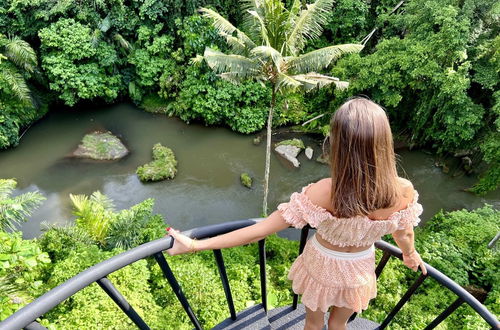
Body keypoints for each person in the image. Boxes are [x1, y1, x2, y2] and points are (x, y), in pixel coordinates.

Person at [166, 97, 427, 330]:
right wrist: (410, 255)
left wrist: (194, 245)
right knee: (339, 325)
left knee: (313, 324)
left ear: (339, 144)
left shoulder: (324, 192)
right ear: (384, 142)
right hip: (360, 268)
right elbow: (404, 232)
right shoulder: (402, 191)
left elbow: (259, 230)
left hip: (322, 266)